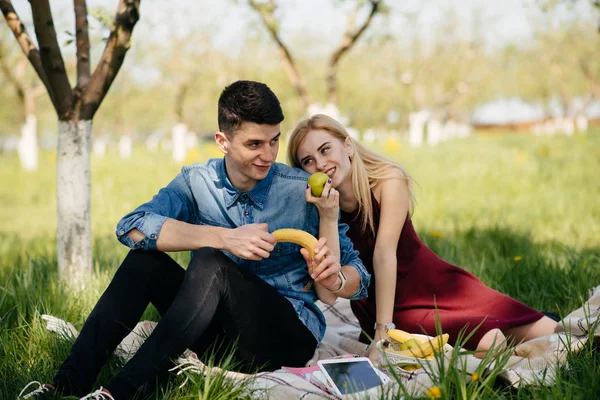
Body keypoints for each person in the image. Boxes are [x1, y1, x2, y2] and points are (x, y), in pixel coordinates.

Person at [18, 82, 370, 400]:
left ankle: (118, 392)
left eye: (274, 140)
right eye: (254, 144)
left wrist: (335, 274)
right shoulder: (196, 182)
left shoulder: (299, 188)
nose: (268, 154)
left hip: (284, 337)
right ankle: (64, 385)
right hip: (212, 329)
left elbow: (358, 275)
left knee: (209, 262)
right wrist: (224, 238)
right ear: (222, 141)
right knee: (146, 262)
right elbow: (132, 227)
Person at [287, 114, 558, 360]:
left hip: (435, 286)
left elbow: (384, 254)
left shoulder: (387, 181)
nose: (321, 164)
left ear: (347, 145)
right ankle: (489, 340)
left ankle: (497, 337)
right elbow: (329, 290)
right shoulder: (317, 207)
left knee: (554, 330)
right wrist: (327, 216)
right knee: (471, 336)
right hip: (381, 305)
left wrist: (383, 330)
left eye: (325, 149)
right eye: (308, 161)